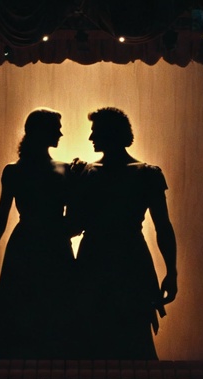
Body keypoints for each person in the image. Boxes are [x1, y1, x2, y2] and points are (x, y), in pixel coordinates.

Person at [0, 107, 77, 359]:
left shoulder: (22, 171)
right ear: (41, 131)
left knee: (39, 308)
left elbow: (1, 221)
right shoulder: (29, 171)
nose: (60, 132)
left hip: (31, 243)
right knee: (31, 309)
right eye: (55, 127)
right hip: (45, 244)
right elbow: (0, 220)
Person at [70, 107, 178, 359]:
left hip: (95, 259)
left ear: (110, 133)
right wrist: (170, 272)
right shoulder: (147, 174)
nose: (90, 138)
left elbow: (74, 225)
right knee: (133, 338)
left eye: (95, 132)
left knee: (94, 337)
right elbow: (163, 226)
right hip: (131, 258)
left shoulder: (87, 174)